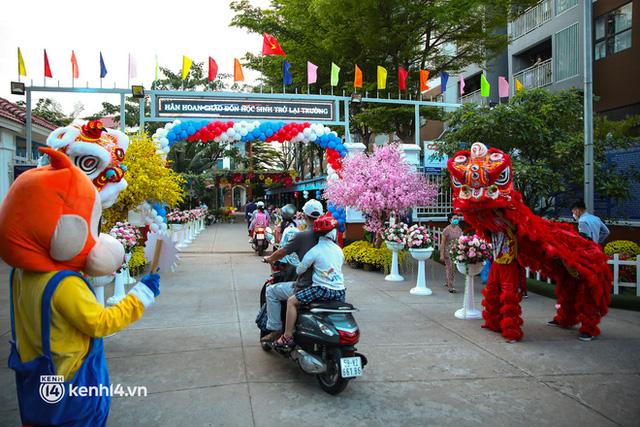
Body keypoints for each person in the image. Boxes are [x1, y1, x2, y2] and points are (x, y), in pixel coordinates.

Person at [274, 214, 345, 347]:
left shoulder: (315, 250)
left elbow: (299, 270)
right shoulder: (339, 250)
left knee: (291, 301)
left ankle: (287, 336)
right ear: (333, 234)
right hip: (340, 291)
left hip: (321, 290)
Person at [260, 199, 324, 342]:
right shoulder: (328, 237)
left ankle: (277, 330)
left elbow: (282, 251)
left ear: (304, 216)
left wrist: (269, 258)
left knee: (271, 291)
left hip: (308, 285)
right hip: (330, 285)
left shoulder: (301, 235)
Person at [440, 214, 463, 293]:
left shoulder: (459, 229)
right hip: (448, 251)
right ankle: (450, 285)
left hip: (456, 251)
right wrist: (441, 254)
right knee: (450, 267)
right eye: (454, 218)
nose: (456, 220)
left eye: (457, 218)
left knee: (452, 268)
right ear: (450, 220)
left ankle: (448, 281)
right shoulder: (446, 230)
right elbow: (442, 243)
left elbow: (461, 240)